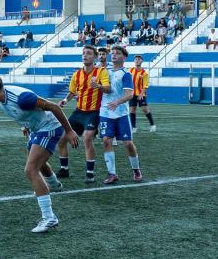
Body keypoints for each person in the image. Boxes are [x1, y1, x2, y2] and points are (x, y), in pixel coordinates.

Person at [0, 69, 79, 233]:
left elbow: (53, 107)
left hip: (49, 128)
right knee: (39, 165)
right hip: (37, 129)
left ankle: (49, 217)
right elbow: (30, 114)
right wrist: (27, 125)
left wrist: (69, 130)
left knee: (30, 170)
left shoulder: (21, 98)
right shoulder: (4, 99)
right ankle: (54, 185)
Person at [56, 46, 109, 183]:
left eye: (89, 53)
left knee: (87, 138)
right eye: (83, 53)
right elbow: (73, 92)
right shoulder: (77, 74)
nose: (85, 56)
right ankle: (64, 169)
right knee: (61, 138)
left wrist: (99, 86)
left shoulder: (101, 72)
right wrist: (65, 100)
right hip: (79, 112)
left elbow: (108, 89)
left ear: (95, 57)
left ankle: (90, 173)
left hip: (94, 112)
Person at [99, 46, 143, 184]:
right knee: (106, 140)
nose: (113, 55)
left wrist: (117, 102)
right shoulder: (104, 71)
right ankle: (112, 173)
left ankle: (136, 169)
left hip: (121, 113)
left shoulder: (126, 74)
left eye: (117, 53)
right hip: (105, 112)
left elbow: (129, 94)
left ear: (124, 57)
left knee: (128, 143)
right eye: (112, 53)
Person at [128, 54, 156, 133]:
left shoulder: (144, 73)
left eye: (139, 59)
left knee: (145, 109)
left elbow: (145, 85)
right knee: (132, 110)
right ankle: (133, 127)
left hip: (141, 94)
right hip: (132, 94)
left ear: (142, 61)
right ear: (134, 61)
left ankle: (152, 125)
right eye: (136, 59)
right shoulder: (130, 70)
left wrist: (141, 94)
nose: (137, 60)